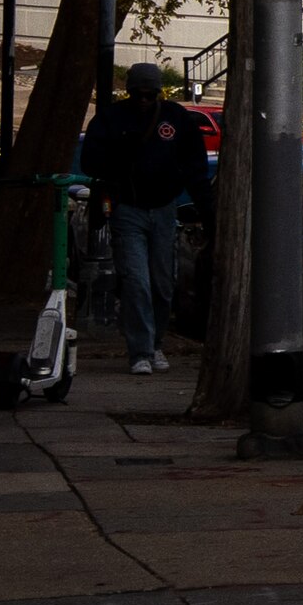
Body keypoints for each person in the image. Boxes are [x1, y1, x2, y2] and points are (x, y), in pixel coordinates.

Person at [79, 64, 213, 376]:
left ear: (157, 93)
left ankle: (155, 343)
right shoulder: (112, 119)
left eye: (149, 94)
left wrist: (208, 211)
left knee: (163, 284)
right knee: (137, 281)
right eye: (138, 94)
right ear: (129, 92)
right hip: (128, 208)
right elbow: (91, 162)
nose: (143, 100)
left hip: (164, 208)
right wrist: (119, 161)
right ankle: (140, 349)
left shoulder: (176, 119)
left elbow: (195, 167)